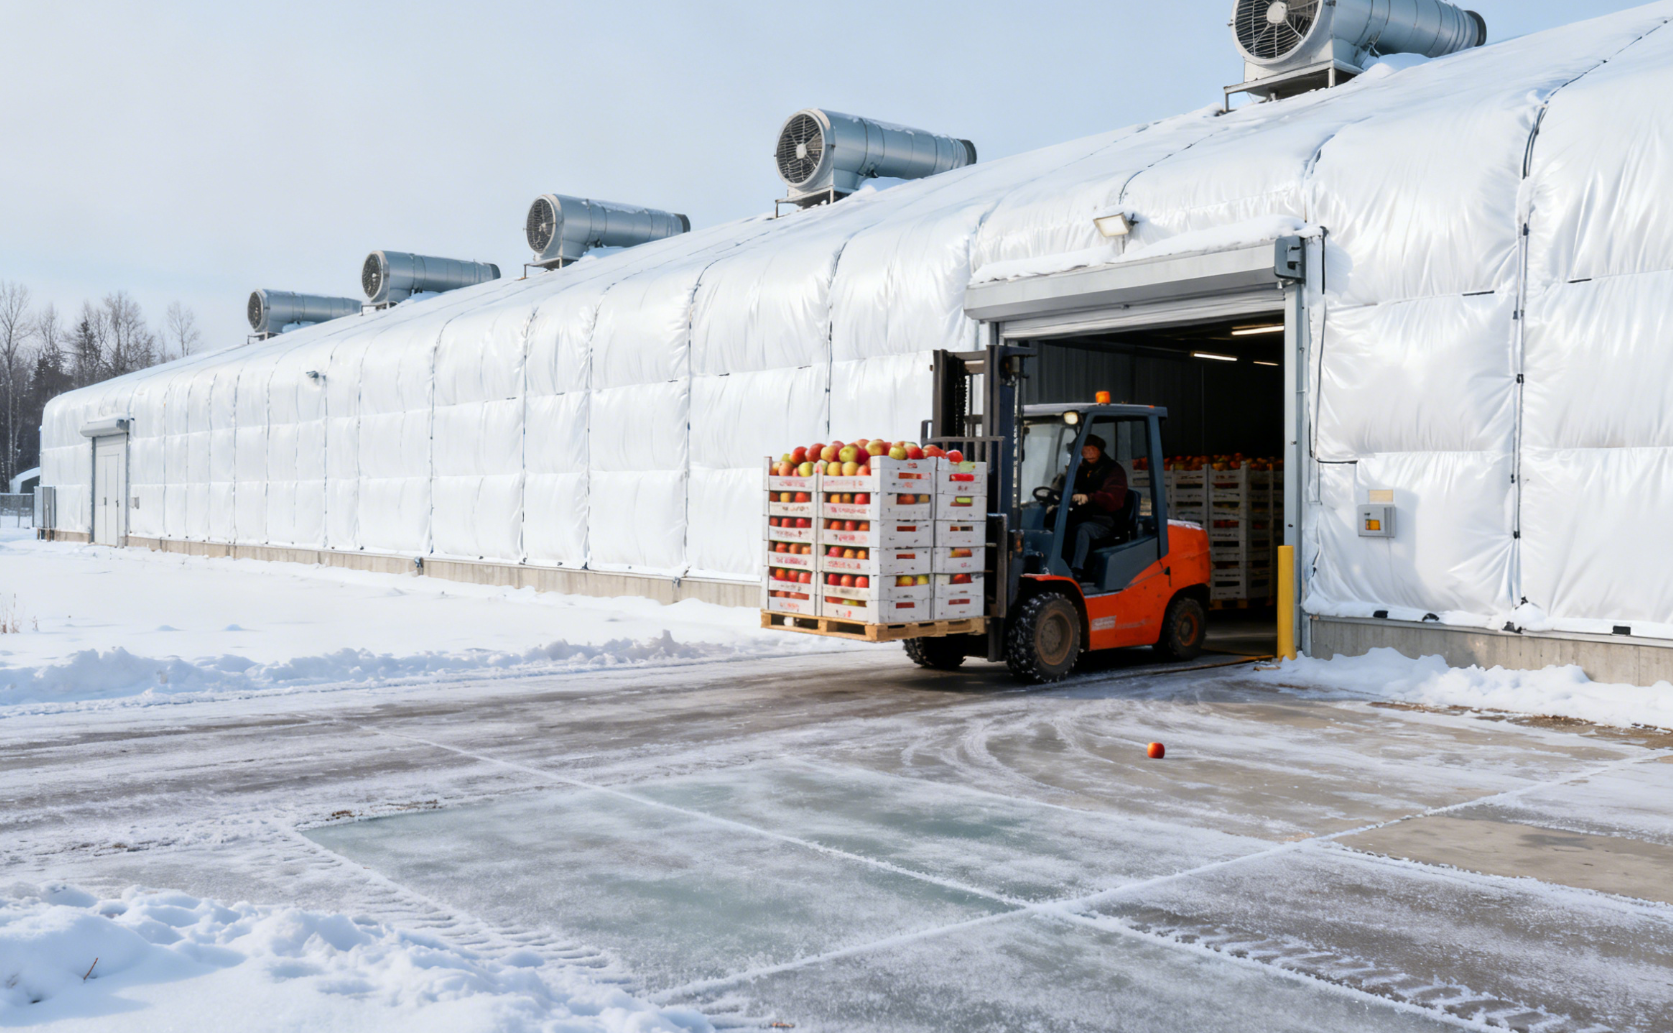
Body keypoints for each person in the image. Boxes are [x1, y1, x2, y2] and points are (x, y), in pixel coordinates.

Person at [1065, 434, 1129, 575]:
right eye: (1084, 450)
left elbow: (1114, 499)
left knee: (1083, 530)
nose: (1088, 453)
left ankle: (1077, 570)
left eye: (1092, 449)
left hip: (1106, 520)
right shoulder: (1082, 470)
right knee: (1055, 524)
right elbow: (1068, 488)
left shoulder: (1113, 471)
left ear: (1100, 450)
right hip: (1083, 515)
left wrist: (1089, 497)